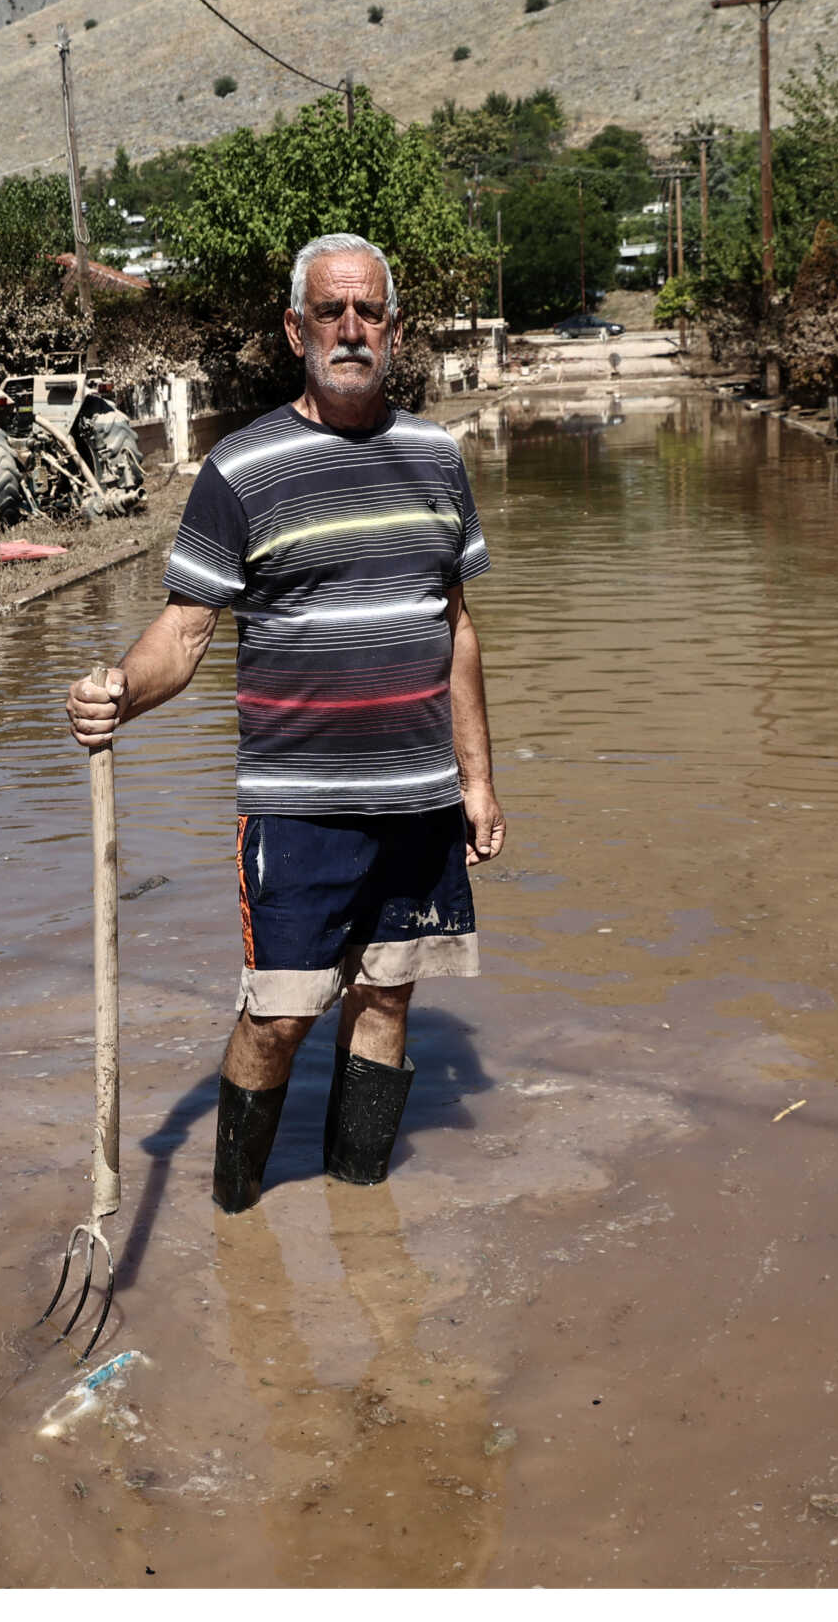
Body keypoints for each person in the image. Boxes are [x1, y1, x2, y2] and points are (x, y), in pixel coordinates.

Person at [66, 233, 504, 1213]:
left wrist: (476, 781)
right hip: (299, 809)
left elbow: (457, 630)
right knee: (279, 1013)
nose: (350, 330)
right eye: (329, 311)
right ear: (293, 327)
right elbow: (184, 632)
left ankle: (360, 1208)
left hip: (418, 800)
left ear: (396, 328)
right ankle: (235, 1209)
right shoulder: (242, 469)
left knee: (388, 994)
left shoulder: (437, 457)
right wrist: (119, 696)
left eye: (369, 312)